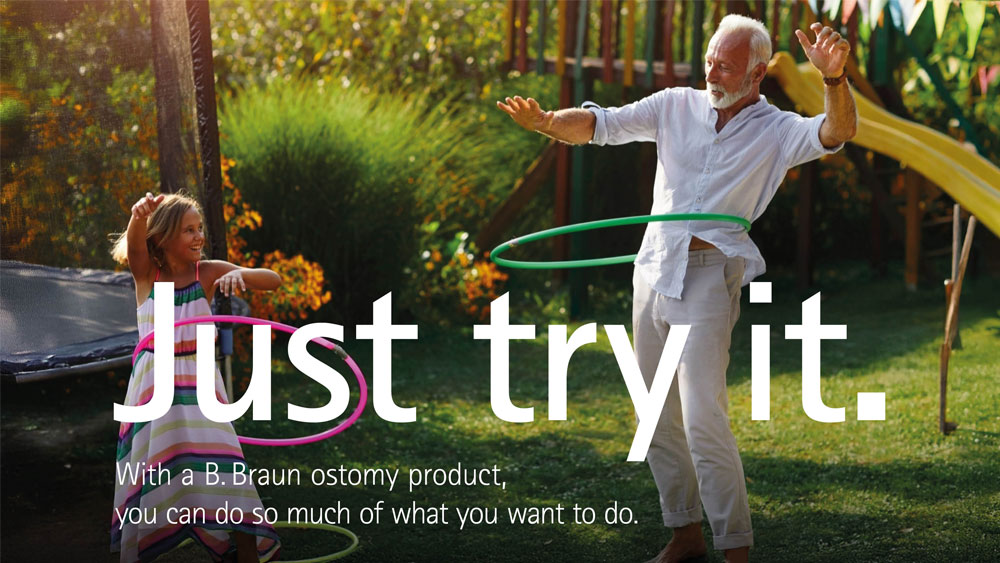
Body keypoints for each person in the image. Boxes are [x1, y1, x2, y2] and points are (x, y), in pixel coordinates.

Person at [497, 15, 857, 563]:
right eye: (710, 59)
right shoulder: (673, 105)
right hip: (652, 268)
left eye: (727, 65)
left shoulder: (777, 129)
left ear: (757, 74)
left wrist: (834, 81)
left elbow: (836, 133)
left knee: (701, 415)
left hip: (709, 276)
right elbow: (600, 125)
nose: (712, 71)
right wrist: (547, 120)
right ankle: (685, 534)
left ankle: (734, 546)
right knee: (653, 414)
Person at [110, 192, 282, 563]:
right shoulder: (147, 274)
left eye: (199, 228)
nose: (198, 236)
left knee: (227, 468)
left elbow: (273, 280)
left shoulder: (206, 272)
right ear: (164, 236)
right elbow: (135, 244)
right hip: (155, 388)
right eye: (189, 230)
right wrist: (139, 215)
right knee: (154, 469)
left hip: (200, 385)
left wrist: (240, 273)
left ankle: (248, 555)